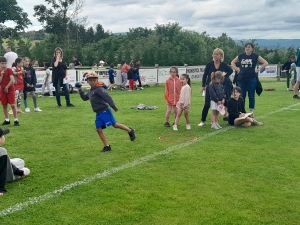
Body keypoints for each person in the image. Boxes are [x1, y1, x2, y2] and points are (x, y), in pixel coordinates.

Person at [77, 72, 136, 152]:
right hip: (98, 113)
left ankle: (130, 130)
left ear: (97, 80)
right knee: (99, 130)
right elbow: (84, 98)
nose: (92, 81)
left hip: (105, 111)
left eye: (94, 80)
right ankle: (107, 146)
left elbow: (107, 97)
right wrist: (80, 90)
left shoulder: (99, 89)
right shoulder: (91, 91)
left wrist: (113, 106)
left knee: (114, 125)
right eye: (90, 80)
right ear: (87, 81)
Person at [231, 43, 268, 116]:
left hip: (251, 78)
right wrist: (236, 68)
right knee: (242, 95)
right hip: (241, 78)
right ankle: (242, 111)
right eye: (246, 47)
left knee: (251, 95)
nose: (247, 48)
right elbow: (232, 62)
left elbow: (265, 62)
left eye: (249, 47)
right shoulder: (241, 56)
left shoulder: (255, 56)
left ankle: (251, 112)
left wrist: (258, 69)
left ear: (252, 49)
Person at [198, 48, 233, 127]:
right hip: (209, 86)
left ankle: (215, 121)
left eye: (217, 54)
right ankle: (202, 121)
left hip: (218, 87)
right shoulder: (209, 64)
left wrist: (223, 78)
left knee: (218, 104)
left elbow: (230, 71)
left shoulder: (223, 65)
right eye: (214, 54)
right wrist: (203, 85)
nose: (215, 56)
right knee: (207, 104)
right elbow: (205, 75)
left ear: (221, 56)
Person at [0, 128, 30, 196]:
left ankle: (16, 169)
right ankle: (19, 171)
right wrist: (1, 188)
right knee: (26, 170)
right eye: (3, 135)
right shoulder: (2, 151)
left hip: (5, 165)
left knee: (20, 162)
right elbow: (2, 170)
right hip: (5, 175)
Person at [0, 57, 19, 126]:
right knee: (4, 105)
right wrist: (1, 75)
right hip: (2, 90)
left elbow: (12, 80)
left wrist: (7, 87)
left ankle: (16, 120)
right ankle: (7, 119)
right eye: (2, 63)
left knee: (13, 105)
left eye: (5, 63)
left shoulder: (9, 70)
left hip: (10, 89)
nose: (4, 65)